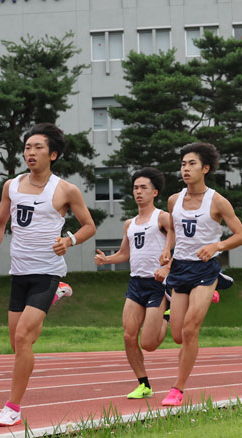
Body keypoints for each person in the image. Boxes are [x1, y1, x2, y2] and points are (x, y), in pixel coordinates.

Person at [0, 123, 96, 426]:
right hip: (19, 273)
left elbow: (89, 226)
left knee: (23, 338)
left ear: (53, 154)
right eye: (27, 147)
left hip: (47, 272)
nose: (30, 153)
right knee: (17, 345)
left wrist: (68, 240)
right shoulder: (12, 186)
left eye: (38, 148)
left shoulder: (65, 190)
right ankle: (55, 297)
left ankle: (12, 408)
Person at [161, 143, 242, 406]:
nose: (185, 169)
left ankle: (178, 388)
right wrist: (168, 252)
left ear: (205, 168)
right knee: (177, 335)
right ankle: (212, 293)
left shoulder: (217, 201)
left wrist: (217, 246)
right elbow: (174, 230)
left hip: (205, 269)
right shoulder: (174, 200)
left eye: (192, 164)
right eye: (183, 164)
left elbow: (241, 235)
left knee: (189, 330)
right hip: (180, 269)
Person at [94, 167, 174, 399]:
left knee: (148, 343)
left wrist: (167, 266)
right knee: (129, 336)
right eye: (135, 188)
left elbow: (178, 238)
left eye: (143, 188)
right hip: (135, 284)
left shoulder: (162, 217)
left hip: (156, 284)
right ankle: (144, 384)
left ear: (155, 192)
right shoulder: (130, 224)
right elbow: (124, 254)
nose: (138, 192)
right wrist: (106, 259)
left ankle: (167, 314)